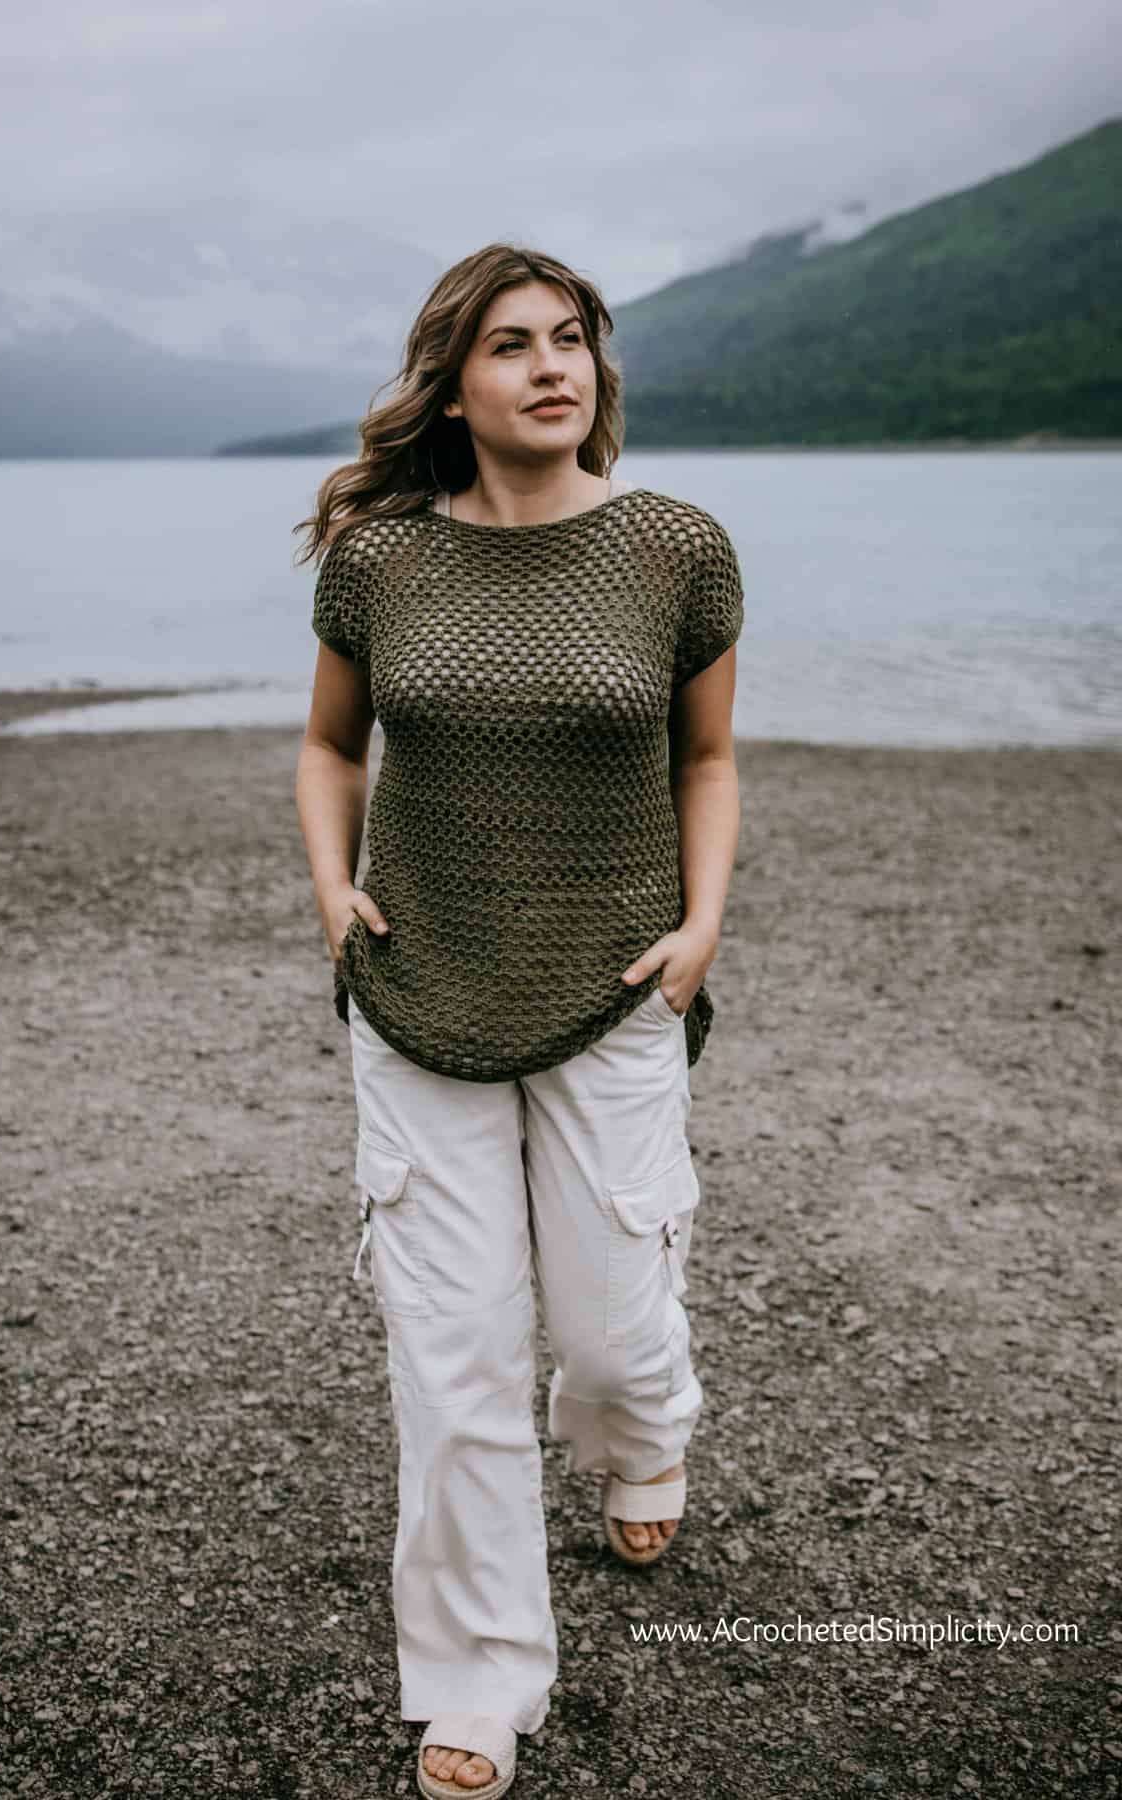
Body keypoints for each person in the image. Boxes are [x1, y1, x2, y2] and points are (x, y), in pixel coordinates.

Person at [293, 243, 744, 1799]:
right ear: (455, 384)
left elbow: (708, 760)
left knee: (612, 1335)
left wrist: (702, 925)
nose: (552, 366)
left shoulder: (677, 549)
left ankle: (644, 1432)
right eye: (511, 345)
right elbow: (329, 748)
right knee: (456, 1350)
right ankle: (480, 1677)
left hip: (619, 985)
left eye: (573, 341)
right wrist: (331, 889)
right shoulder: (384, 560)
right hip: (417, 990)